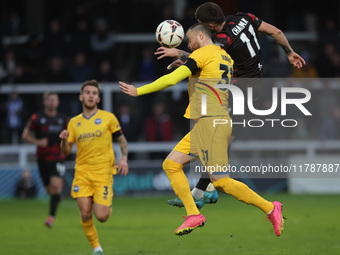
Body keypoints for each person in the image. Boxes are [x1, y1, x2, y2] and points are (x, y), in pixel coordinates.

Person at [119, 23, 284, 237]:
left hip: (212, 122)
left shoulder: (203, 54)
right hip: (206, 122)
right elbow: (208, 78)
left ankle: (271, 208)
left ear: (200, 35)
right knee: (171, 164)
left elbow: (172, 79)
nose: (188, 44)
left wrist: (138, 90)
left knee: (221, 181)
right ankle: (193, 214)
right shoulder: (223, 56)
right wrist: (189, 67)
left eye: (190, 40)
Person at [155, 2, 305, 210]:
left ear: (211, 25)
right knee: (218, 138)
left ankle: (204, 191)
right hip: (254, 89)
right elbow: (276, 31)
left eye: (202, 25)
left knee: (213, 133)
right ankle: (203, 191)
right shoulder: (245, 18)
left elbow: (211, 61)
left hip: (243, 93)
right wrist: (289, 52)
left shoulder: (222, 40)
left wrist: (181, 55)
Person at [59, 80, 129, 255]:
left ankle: (105, 203)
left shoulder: (108, 118)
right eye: (87, 93)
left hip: (103, 172)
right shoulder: (74, 123)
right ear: (81, 97)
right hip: (82, 172)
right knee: (85, 214)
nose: (91, 96)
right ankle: (97, 248)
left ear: (98, 98)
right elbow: (66, 151)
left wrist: (124, 158)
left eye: (94, 93)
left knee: (102, 216)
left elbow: (121, 139)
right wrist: (63, 140)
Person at [22, 92, 68, 227]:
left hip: (58, 157)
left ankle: (50, 218)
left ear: (58, 102)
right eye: (50, 100)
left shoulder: (64, 119)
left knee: (55, 185)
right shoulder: (37, 118)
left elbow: (74, 135)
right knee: (50, 190)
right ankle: (57, 192)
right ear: (44, 102)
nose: (52, 102)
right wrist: (38, 142)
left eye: (55, 100)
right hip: (42, 159)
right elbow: (25, 135)